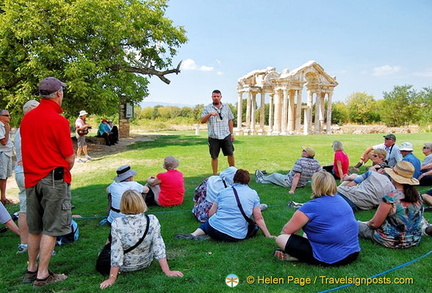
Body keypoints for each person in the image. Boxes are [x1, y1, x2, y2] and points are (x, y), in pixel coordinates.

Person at [20, 77, 75, 288]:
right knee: (51, 228)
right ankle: (43, 275)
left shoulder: (27, 119)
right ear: (59, 93)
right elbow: (68, 157)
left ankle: (31, 269)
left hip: (30, 178)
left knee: (35, 228)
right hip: (52, 179)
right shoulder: (58, 120)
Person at [100, 190, 183, 289]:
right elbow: (158, 246)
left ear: (123, 204)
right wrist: (167, 271)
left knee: (105, 251)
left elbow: (116, 252)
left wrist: (112, 278)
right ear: (141, 202)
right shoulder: (152, 220)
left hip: (126, 267)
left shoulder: (117, 223)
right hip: (145, 262)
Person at [274, 171, 360, 266]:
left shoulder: (310, 207)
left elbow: (286, 231)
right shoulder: (341, 200)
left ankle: (298, 256)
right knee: (309, 233)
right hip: (353, 252)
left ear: (314, 186)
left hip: (332, 258)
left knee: (281, 239)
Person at [175, 169, 273, 242]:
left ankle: (194, 234)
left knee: (210, 223)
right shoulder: (253, 193)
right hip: (234, 235)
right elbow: (258, 218)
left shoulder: (223, 192)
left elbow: (211, 213)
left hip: (213, 226)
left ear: (234, 180)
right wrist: (268, 235)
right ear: (248, 181)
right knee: (253, 227)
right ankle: (211, 237)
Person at [358, 161, 423, 248]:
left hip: (391, 240)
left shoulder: (390, 198)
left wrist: (365, 223)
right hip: (414, 239)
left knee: (353, 224)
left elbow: (374, 224)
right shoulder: (417, 195)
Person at [14, 99, 40, 253]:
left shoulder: (19, 130)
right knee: (40, 208)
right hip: (32, 171)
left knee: (24, 208)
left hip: (19, 171)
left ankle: (24, 243)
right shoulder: (33, 127)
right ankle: (42, 246)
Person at [255, 146, 322, 194]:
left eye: (304, 151)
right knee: (274, 179)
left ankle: (261, 179)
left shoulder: (300, 160)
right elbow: (320, 175)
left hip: (289, 181)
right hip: (302, 184)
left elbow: (297, 175)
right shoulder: (316, 162)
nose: (302, 151)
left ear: (307, 154)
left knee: (274, 175)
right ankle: (264, 177)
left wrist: (292, 190)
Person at [201, 89, 235, 175]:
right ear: (212, 97)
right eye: (214, 96)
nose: (216, 98)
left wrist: (232, 134)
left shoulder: (226, 107)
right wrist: (210, 114)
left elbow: (230, 120)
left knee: (230, 154)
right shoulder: (207, 108)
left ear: (221, 97)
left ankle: (233, 172)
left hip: (226, 135)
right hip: (214, 137)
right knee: (214, 157)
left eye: (217, 96)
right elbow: (202, 121)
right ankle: (215, 175)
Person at [0, 109, 14, 205]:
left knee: (5, 176)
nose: (9, 117)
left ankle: (3, 197)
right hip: (2, 153)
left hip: (8, 153)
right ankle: (3, 197)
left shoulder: (5, 126)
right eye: (6, 115)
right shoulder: (1, 126)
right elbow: (3, 141)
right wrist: (8, 131)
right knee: (2, 175)